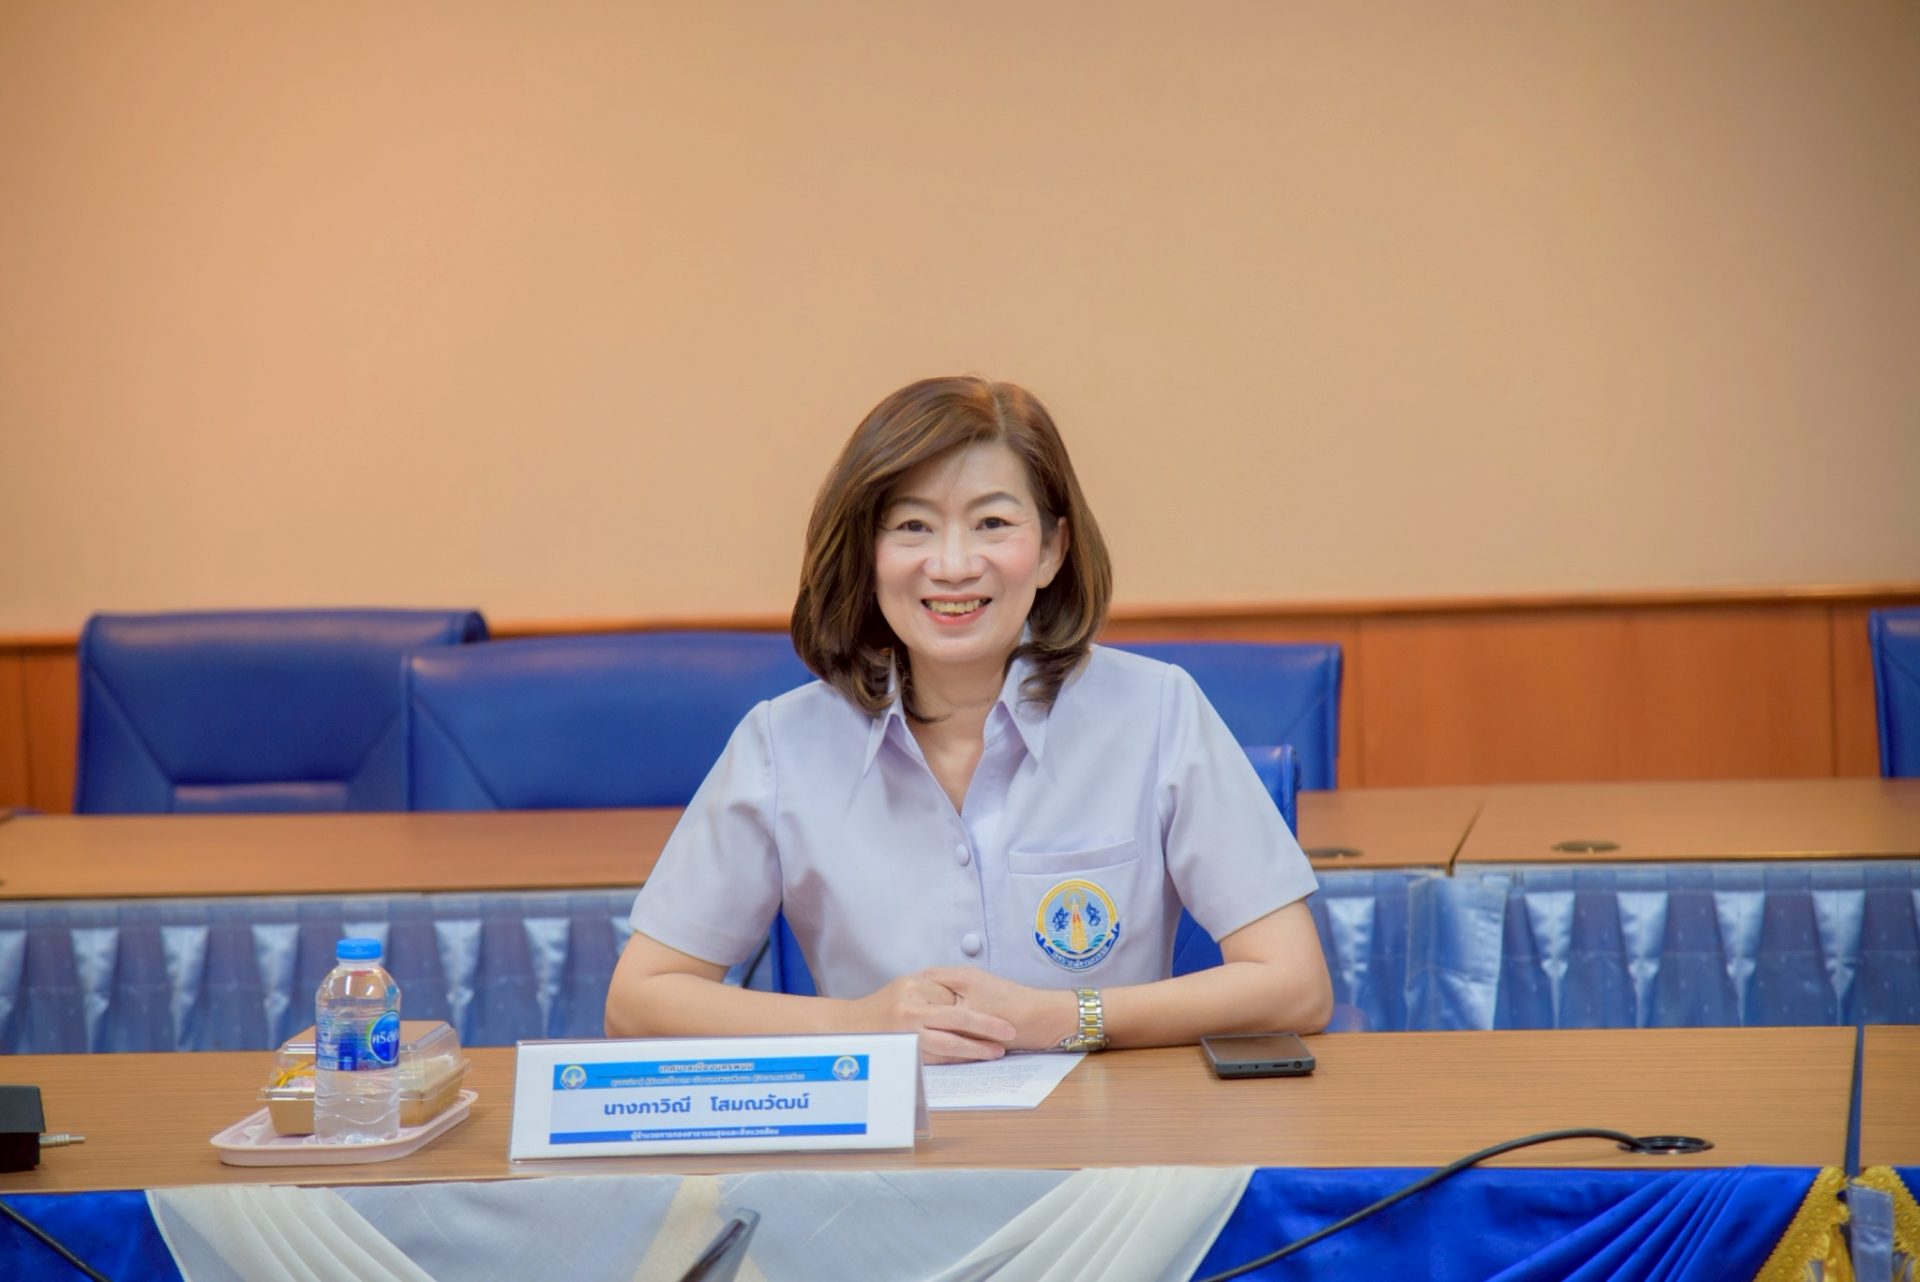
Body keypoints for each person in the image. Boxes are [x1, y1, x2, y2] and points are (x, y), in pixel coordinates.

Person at [605, 376, 1331, 1061]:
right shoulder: (782, 744)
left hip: (1105, 1137)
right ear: (867, 554)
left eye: (992, 523)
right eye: (913, 526)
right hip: (886, 1141)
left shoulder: (1157, 711)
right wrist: (860, 1025)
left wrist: (1067, 1017)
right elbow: (639, 1002)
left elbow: (1295, 983)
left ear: (1052, 550)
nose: (952, 565)